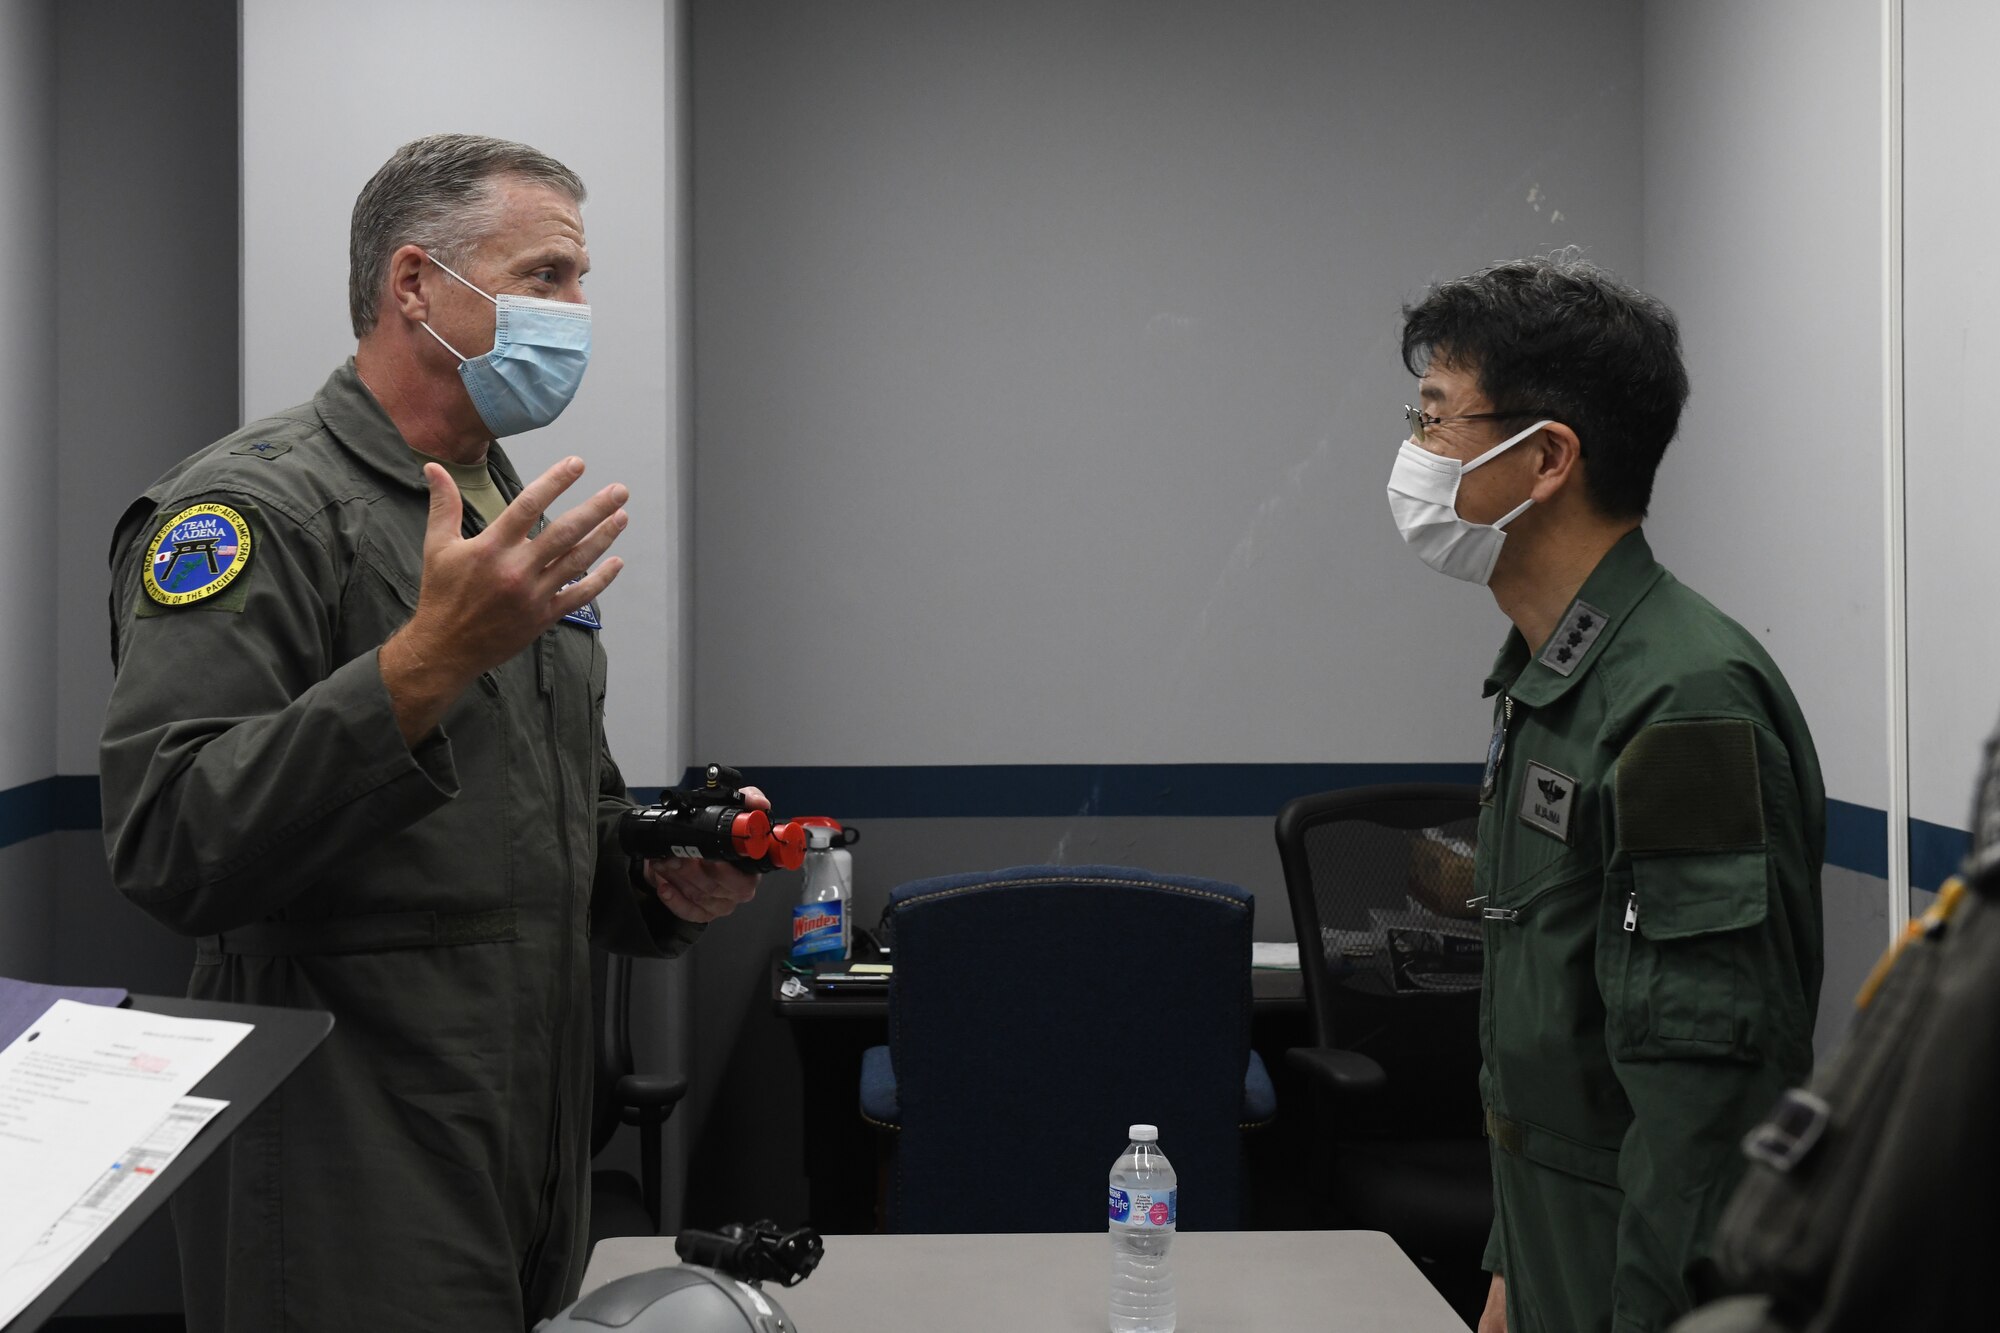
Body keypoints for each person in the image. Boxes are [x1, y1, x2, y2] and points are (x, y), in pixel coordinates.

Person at [98, 134, 759, 1331]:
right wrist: (430, 657)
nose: (576, 310)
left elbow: (551, 824)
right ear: (415, 285)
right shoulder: (251, 511)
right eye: (546, 275)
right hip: (341, 1150)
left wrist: (658, 877)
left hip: (528, 1136)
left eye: (578, 278)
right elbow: (172, 839)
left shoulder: (502, 513)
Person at [1386, 253, 1825, 1333]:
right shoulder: (1554, 677)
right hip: (1552, 1256)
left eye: (1436, 417)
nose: (1413, 451)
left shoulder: (1679, 704)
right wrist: (1508, 1271)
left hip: (1642, 1279)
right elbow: (1561, 1059)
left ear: (1544, 457)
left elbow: (1700, 1106)